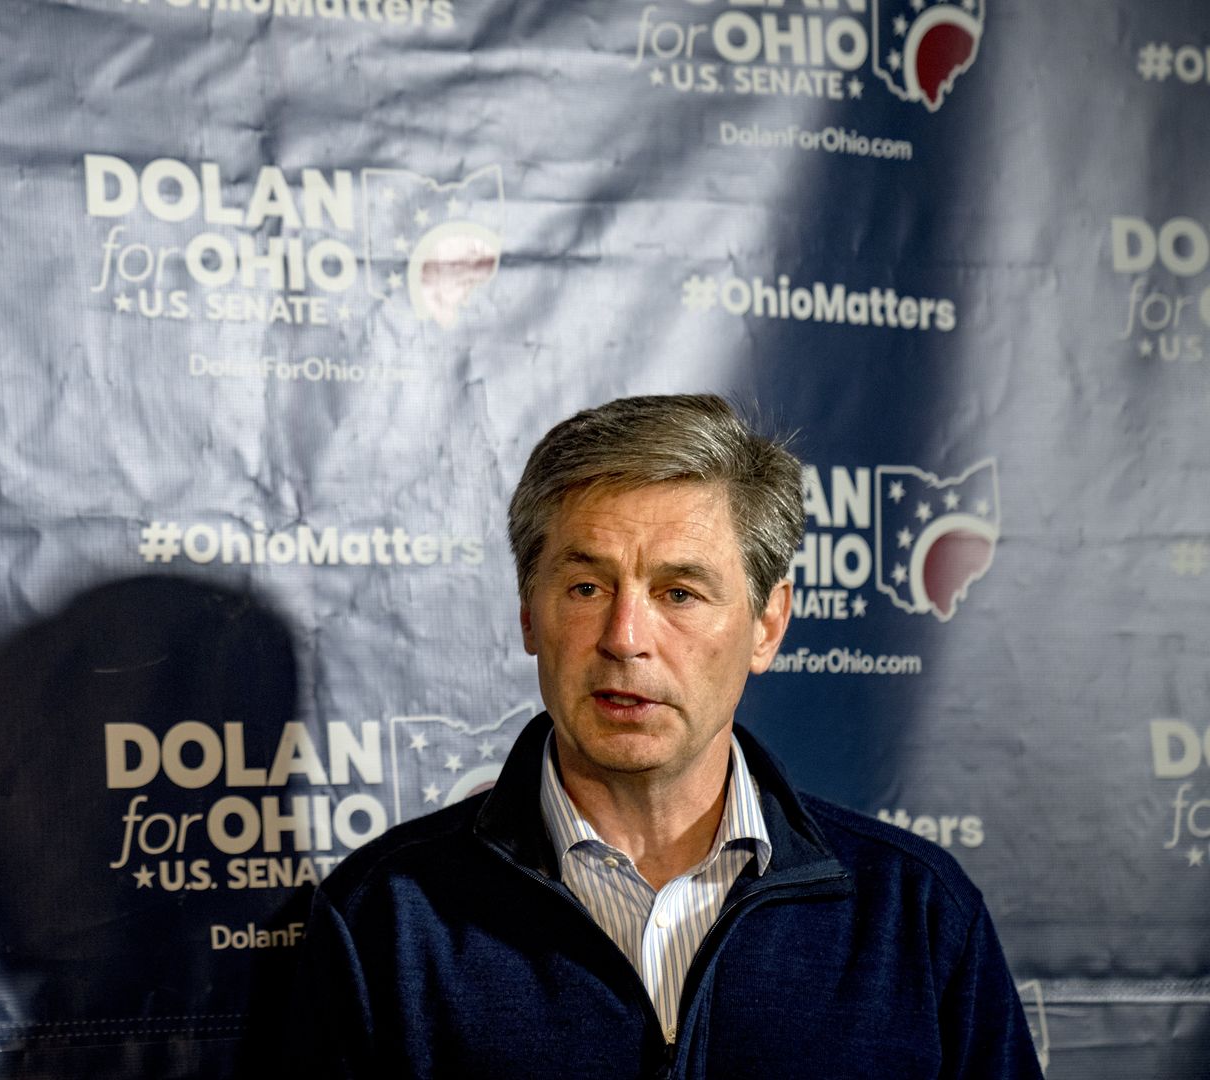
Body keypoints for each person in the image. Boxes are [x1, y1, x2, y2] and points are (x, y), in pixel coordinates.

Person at [282, 394, 1043, 1078]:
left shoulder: (914, 914)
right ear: (527, 614)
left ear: (768, 624)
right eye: (586, 587)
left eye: (679, 592)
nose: (625, 637)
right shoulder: (385, 918)